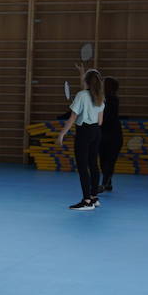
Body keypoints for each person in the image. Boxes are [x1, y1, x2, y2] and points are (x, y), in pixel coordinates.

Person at [56, 68, 105, 210]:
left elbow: (72, 118)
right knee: (93, 165)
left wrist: (61, 134)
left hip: (84, 132)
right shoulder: (100, 96)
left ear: (87, 82)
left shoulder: (81, 95)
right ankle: (94, 197)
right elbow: (100, 121)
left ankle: (86, 200)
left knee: (83, 167)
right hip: (97, 132)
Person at [99, 76, 123, 193]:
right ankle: (108, 183)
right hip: (102, 135)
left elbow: (106, 116)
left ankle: (104, 184)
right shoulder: (99, 99)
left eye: (102, 83)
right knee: (103, 161)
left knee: (109, 161)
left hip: (114, 136)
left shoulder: (113, 100)